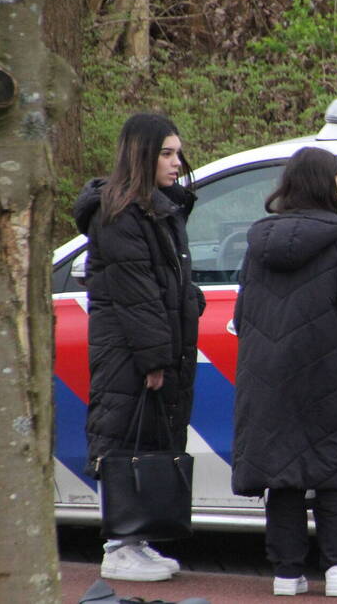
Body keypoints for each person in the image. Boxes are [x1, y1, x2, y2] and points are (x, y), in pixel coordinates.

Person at [230, 146, 337, 598]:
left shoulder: (257, 242)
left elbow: (243, 315)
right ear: (325, 186)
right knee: (333, 470)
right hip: (330, 374)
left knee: (282, 473)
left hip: (268, 375)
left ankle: (286, 573)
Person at [72, 113, 205, 582]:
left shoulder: (158, 208)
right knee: (123, 438)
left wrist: (191, 302)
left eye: (177, 153)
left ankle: (137, 538)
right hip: (127, 351)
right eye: (166, 153)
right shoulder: (122, 212)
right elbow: (136, 293)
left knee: (150, 438)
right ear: (142, 155)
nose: (176, 162)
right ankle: (118, 544)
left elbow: (166, 282)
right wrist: (154, 359)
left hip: (148, 346)